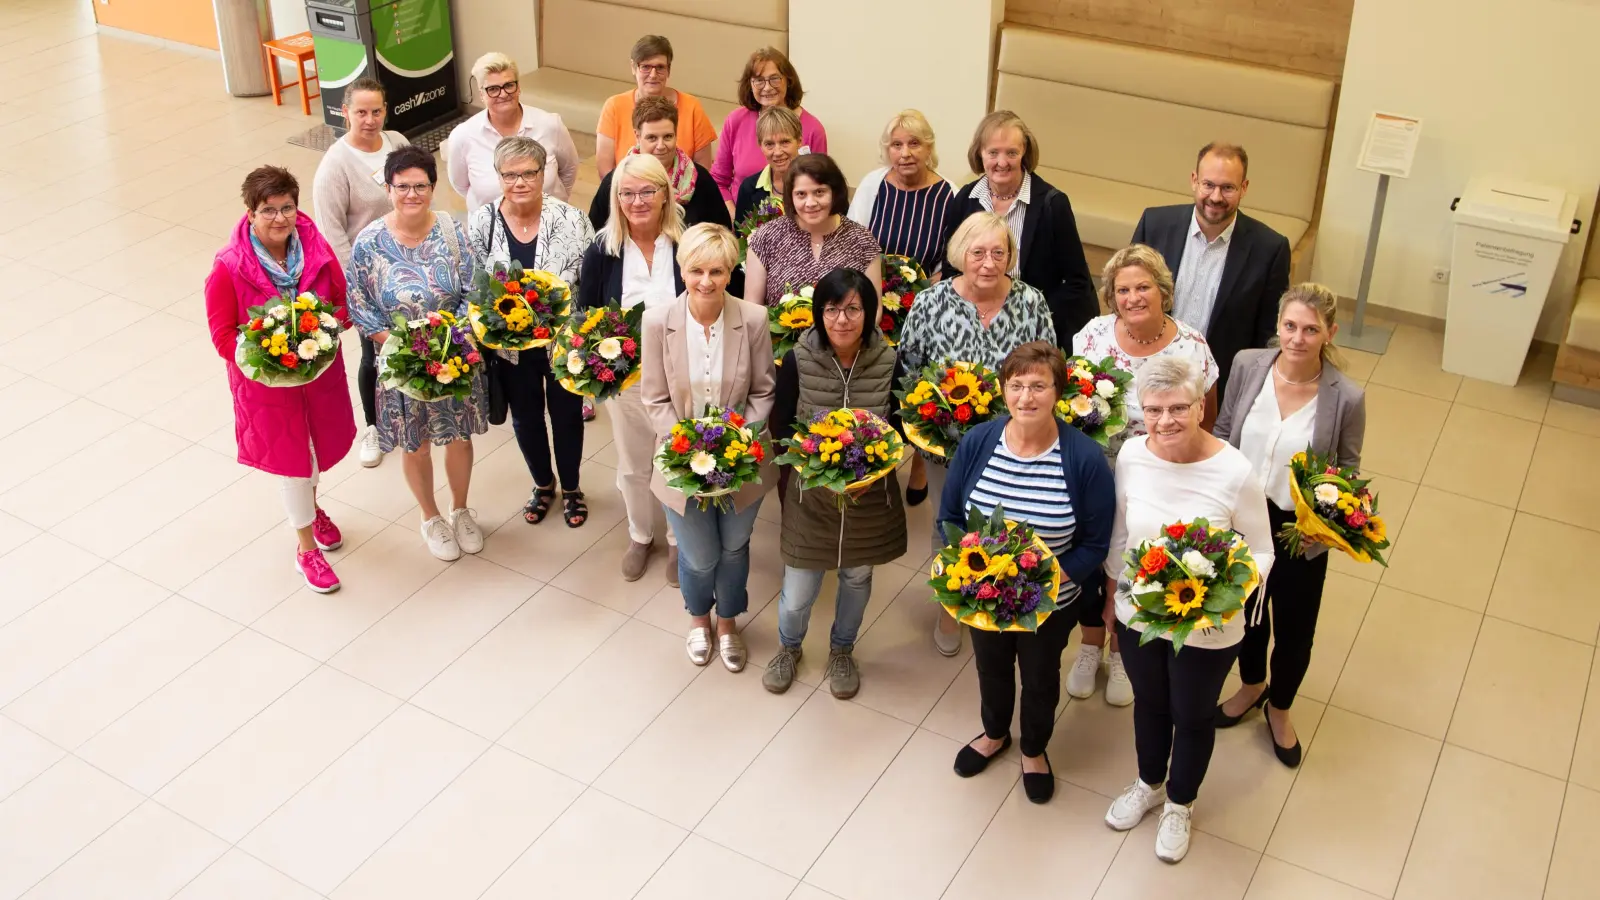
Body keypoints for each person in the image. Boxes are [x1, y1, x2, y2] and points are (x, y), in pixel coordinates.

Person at [1102, 356, 1275, 864]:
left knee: (1192, 712)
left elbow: (1263, 550)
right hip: (1139, 611)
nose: (1166, 421)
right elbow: (1119, 530)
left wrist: (1222, 594)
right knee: (1150, 703)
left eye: (1179, 407)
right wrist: (1113, 594)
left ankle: (1180, 802)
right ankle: (1149, 782)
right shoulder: (1133, 454)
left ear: (1201, 406)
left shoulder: (1235, 470)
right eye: (1154, 410)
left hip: (1209, 624)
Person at [938, 341, 1114, 803]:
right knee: (991, 667)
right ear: (1002, 390)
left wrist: (1041, 588)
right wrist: (974, 580)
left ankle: (1034, 748)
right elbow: (951, 516)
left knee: (1039, 676)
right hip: (984, 595)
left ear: (1058, 392)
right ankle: (995, 734)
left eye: (1039, 385)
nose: (1027, 397)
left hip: (1050, 602)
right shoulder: (978, 441)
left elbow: (1095, 543)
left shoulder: (1084, 459)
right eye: (1017, 385)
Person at [1213, 284, 1365, 768]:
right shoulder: (1246, 365)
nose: (1298, 338)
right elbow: (1221, 432)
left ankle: (1280, 707)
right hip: (1242, 514)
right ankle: (1252, 684)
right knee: (1248, 613)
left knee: (1296, 627)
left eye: (1311, 329)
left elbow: (1347, 469)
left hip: (1299, 527)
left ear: (1329, 333)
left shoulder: (1347, 397)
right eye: (1290, 326)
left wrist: (1333, 521)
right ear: (1278, 325)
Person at [1066, 245, 1219, 706]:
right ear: (1111, 296)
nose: (1133, 297)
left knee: (1139, 559)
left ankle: (1123, 651)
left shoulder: (1191, 345)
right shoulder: (1092, 336)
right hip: (1097, 471)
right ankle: (1091, 642)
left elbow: (1206, 418)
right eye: (1123, 289)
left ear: (1163, 292)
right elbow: (1074, 402)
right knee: (1091, 560)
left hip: (1159, 476)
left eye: (1143, 287)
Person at [898, 211, 1055, 656]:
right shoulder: (930, 303)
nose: (988, 263)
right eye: (978, 252)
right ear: (959, 254)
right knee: (949, 523)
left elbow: (1048, 369)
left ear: (1011, 257)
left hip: (1014, 443)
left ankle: (997, 598)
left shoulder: (1031, 301)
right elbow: (909, 371)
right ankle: (951, 609)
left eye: (998, 253)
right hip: (945, 446)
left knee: (1005, 522)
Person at [205, 166, 357, 593]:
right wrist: (269, 363)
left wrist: (326, 332)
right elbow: (222, 335)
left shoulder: (314, 247)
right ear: (250, 213)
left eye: (287, 207)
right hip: (266, 387)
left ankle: (311, 505)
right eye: (268, 210)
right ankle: (305, 548)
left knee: (313, 449)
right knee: (293, 461)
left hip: (318, 374)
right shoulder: (229, 266)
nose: (279, 218)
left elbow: (339, 301)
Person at [762, 267, 906, 700]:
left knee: (857, 579)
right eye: (832, 309)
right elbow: (782, 424)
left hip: (869, 495)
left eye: (853, 309)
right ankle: (789, 647)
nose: (842, 320)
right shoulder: (798, 358)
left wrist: (874, 474)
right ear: (818, 314)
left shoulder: (889, 360)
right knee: (797, 589)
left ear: (870, 312)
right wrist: (809, 471)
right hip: (811, 495)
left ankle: (842, 650)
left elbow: (897, 429)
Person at [641, 223, 777, 671]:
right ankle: (699, 620)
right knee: (700, 556)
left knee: (735, 547)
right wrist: (685, 447)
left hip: (743, 462)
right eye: (696, 270)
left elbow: (762, 392)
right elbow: (655, 398)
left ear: (731, 271)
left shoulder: (753, 320)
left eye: (717, 271)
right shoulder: (658, 321)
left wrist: (736, 443)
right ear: (682, 270)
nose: (706, 281)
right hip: (681, 462)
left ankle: (728, 623)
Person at [349, 146, 488, 561]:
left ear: (433, 187)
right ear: (389, 190)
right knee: (417, 444)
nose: (412, 193)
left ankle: (460, 509)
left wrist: (449, 343)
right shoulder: (369, 242)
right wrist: (406, 349)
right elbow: (360, 306)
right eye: (403, 186)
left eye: (421, 185)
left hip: (453, 358)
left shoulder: (452, 231)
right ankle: (430, 516)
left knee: (460, 437)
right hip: (403, 364)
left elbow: (473, 288)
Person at [467, 136, 596, 528]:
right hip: (510, 350)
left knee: (567, 416)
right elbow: (472, 286)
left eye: (528, 173)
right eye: (510, 174)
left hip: (561, 346)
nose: (519, 182)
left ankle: (572, 488)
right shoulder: (481, 222)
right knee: (525, 418)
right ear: (498, 176)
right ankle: (543, 484)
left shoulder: (572, 220)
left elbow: (587, 283)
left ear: (544, 174)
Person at [579, 153, 686, 582]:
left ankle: (680, 540)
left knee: (677, 458)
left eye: (647, 191)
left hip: (681, 378)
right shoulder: (604, 249)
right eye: (627, 193)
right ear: (616, 198)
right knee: (633, 463)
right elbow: (587, 314)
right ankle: (641, 536)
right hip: (624, 380)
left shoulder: (685, 243)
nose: (637, 201)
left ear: (665, 194)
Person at [1131, 143, 1291, 402]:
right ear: (1194, 181)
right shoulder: (1155, 225)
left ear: (1244, 188)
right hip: (1147, 372)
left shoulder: (1270, 249)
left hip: (1217, 389)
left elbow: (1267, 336)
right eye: (1209, 185)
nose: (1216, 197)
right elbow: (1127, 300)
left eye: (1228, 187)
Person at [310, 76, 411, 469]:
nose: (370, 120)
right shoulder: (335, 165)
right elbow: (331, 231)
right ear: (344, 112)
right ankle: (374, 426)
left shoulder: (397, 142)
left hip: (411, 262)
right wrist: (359, 285)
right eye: (361, 112)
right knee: (375, 351)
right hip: (370, 274)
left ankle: (411, 412)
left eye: (377, 111)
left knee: (415, 339)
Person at [942, 111, 1097, 347]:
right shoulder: (965, 198)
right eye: (993, 152)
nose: (1002, 162)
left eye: (1011, 153)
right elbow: (951, 268)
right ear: (979, 154)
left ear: (1024, 153)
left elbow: (1077, 282)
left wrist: (1034, 316)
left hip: (1031, 329)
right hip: (970, 324)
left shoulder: (1052, 204)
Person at [447, 52, 580, 210]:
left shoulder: (550, 124)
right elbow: (460, 185)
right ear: (481, 94)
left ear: (518, 87)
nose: (503, 94)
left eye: (509, 85)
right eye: (493, 89)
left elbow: (569, 169)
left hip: (549, 221)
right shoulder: (463, 136)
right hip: (492, 228)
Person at [745, 154, 881, 307]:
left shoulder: (862, 240)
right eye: (801, 194)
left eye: (819, 192)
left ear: (835, 192)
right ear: (791, 196)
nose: (810, 203)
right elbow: (752, 311)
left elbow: (874, 310)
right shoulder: (767, 237)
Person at [589, 96, 730, 234]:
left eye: (668, 136)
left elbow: (723, 234)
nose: (661, 146)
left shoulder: (700, 180)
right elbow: (594, 235)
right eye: (652, 138)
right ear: (637, 136)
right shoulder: (615, 182)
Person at [711, 47, 827, 206]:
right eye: (759, 80)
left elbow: (821, 187)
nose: (767, 87)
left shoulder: (813, 129)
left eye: (775, 79)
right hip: (743, 222)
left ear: (788, 80)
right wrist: (735, 220)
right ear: (750, 84)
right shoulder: (735, 121)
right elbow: (719, 181)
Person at [846, 109, 956, 276]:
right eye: (897, 145)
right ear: (888, 150)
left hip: (926, 295)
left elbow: (957, 258)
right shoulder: (873, 185)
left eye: (914, 143)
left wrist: (940, 278)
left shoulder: (949, 195)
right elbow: (851, 243)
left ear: (928, 148)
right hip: (869, 289)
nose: (905, 154)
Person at [595, 34, 717, 178]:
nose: (653, 75)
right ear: (633, 68)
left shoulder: (692, 107)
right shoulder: (614, 106)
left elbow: (703, 171)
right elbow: (606, 173)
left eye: (660, 67)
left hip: (682, 197)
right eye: (645, 67)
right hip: (627, 194)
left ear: (668, 70)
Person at [731, 106, 803, 227]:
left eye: (785, 142)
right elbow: (741, 238)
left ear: (799, 141)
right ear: (760, 146)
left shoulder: (819, 183)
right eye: (769, 144)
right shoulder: (749, 188)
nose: (778, 152)